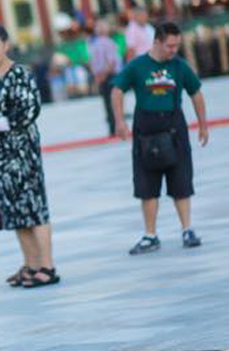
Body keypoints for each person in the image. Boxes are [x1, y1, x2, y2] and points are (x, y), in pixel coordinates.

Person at [0, 22, 60, 289]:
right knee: (14, 212)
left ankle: (48, 265)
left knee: (34, 209)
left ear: (5, 46)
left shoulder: (19, 73)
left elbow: (30, 110)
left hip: (23, 154)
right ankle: (31, 264)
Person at [111, 22, 210, 255]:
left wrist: (203, 125)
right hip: (145, 132)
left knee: (181, 182)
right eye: (169, 46)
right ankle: (150, 235)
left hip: (175, 129)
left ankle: (187, 229)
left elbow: (195, 93)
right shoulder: (137, 66)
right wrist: (119, 121)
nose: (174, 50)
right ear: (156, 41)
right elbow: (117, 90)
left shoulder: (179, 66)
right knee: (146, 186)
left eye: (177, 46)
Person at [89, 19, 124, 136]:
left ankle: (113, 128)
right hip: (108, 75)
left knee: (109, 103)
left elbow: (102, 62)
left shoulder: (97, 43)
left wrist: (99, 76)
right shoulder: (107, 43)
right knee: (112, 103)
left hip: (105, 75)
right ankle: (115, 127)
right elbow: (109, 62)